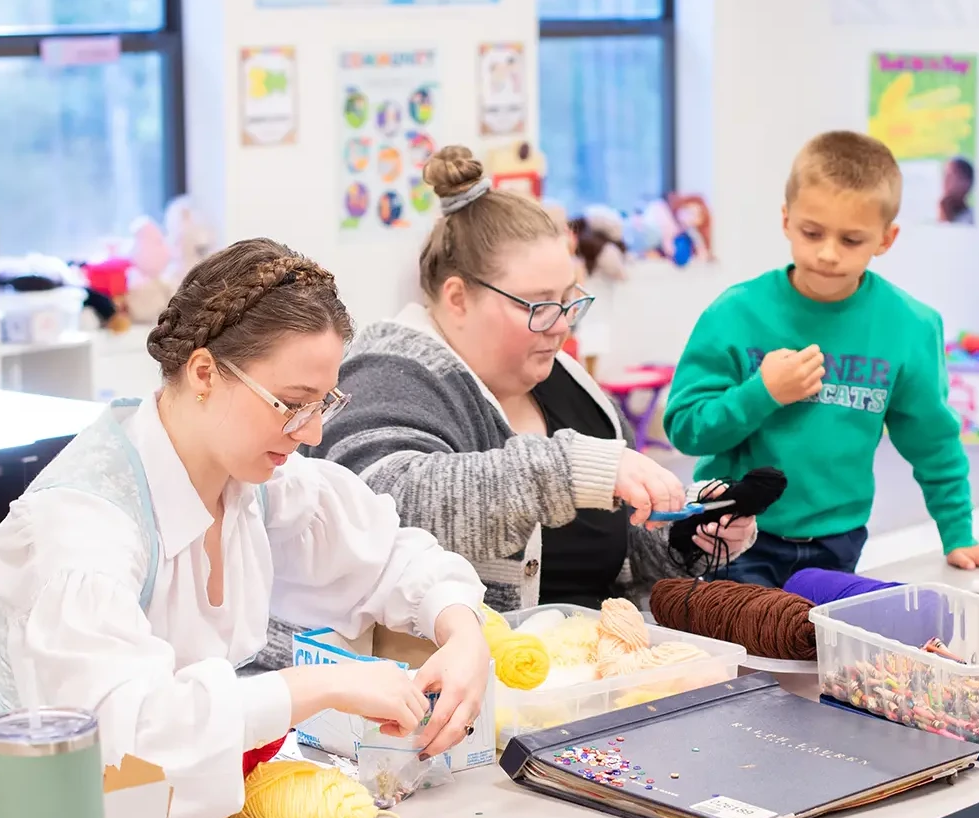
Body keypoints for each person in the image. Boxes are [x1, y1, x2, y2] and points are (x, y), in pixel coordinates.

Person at [0, 238, 493, 818]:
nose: (313, 432)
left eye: (325, 402)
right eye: (294, 404)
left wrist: (461, 630)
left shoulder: (245, 476)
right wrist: (320, 685)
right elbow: (126, 755)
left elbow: (387, 556)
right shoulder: (83, 532)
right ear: (204, 372)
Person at [316, 145, 755, 612]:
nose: (563, 324)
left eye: (568, 300)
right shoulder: (388, 373)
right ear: (459, 297)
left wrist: (686, 532)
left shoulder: (570, 385)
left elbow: (623, 554)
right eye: (539, 305)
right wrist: (571, 470)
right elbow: (387, 507)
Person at [663, 131, 979, 587]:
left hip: (839, 540)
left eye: (851, 240)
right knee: (745, 652)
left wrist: (958, 536)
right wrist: (763, 393)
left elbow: (933, 441)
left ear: (886, 238)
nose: (828, 253)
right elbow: (686, 429)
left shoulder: (909, 326)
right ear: (786, 220)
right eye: (812, 233)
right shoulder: (734, 314)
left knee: (821, 653)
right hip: (731, 534)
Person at [939, 156, 974, 225]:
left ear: (966, 182)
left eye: (951, 176)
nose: (946, 181)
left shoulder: (972, 219)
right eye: (945, 175)